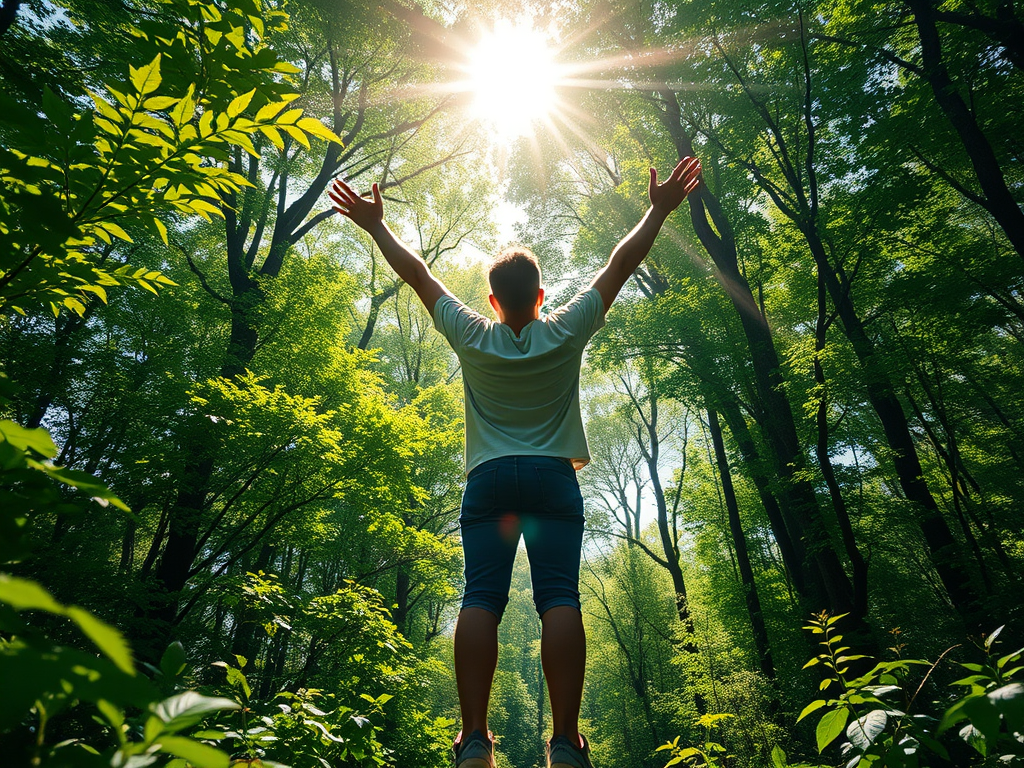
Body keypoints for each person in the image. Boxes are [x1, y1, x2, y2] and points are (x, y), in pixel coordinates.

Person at [329, 156, 702, 768]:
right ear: (542, 295)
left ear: (493, 300)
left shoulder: (472, 333)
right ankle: (566, 743)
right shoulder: (566, 329)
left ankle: (475, 740)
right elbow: (618, 265)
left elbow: (419, 273)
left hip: (491, 482)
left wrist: (376, 225)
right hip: (554, 479)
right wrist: (657, 211)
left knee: (481, 596)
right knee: (559, 598)